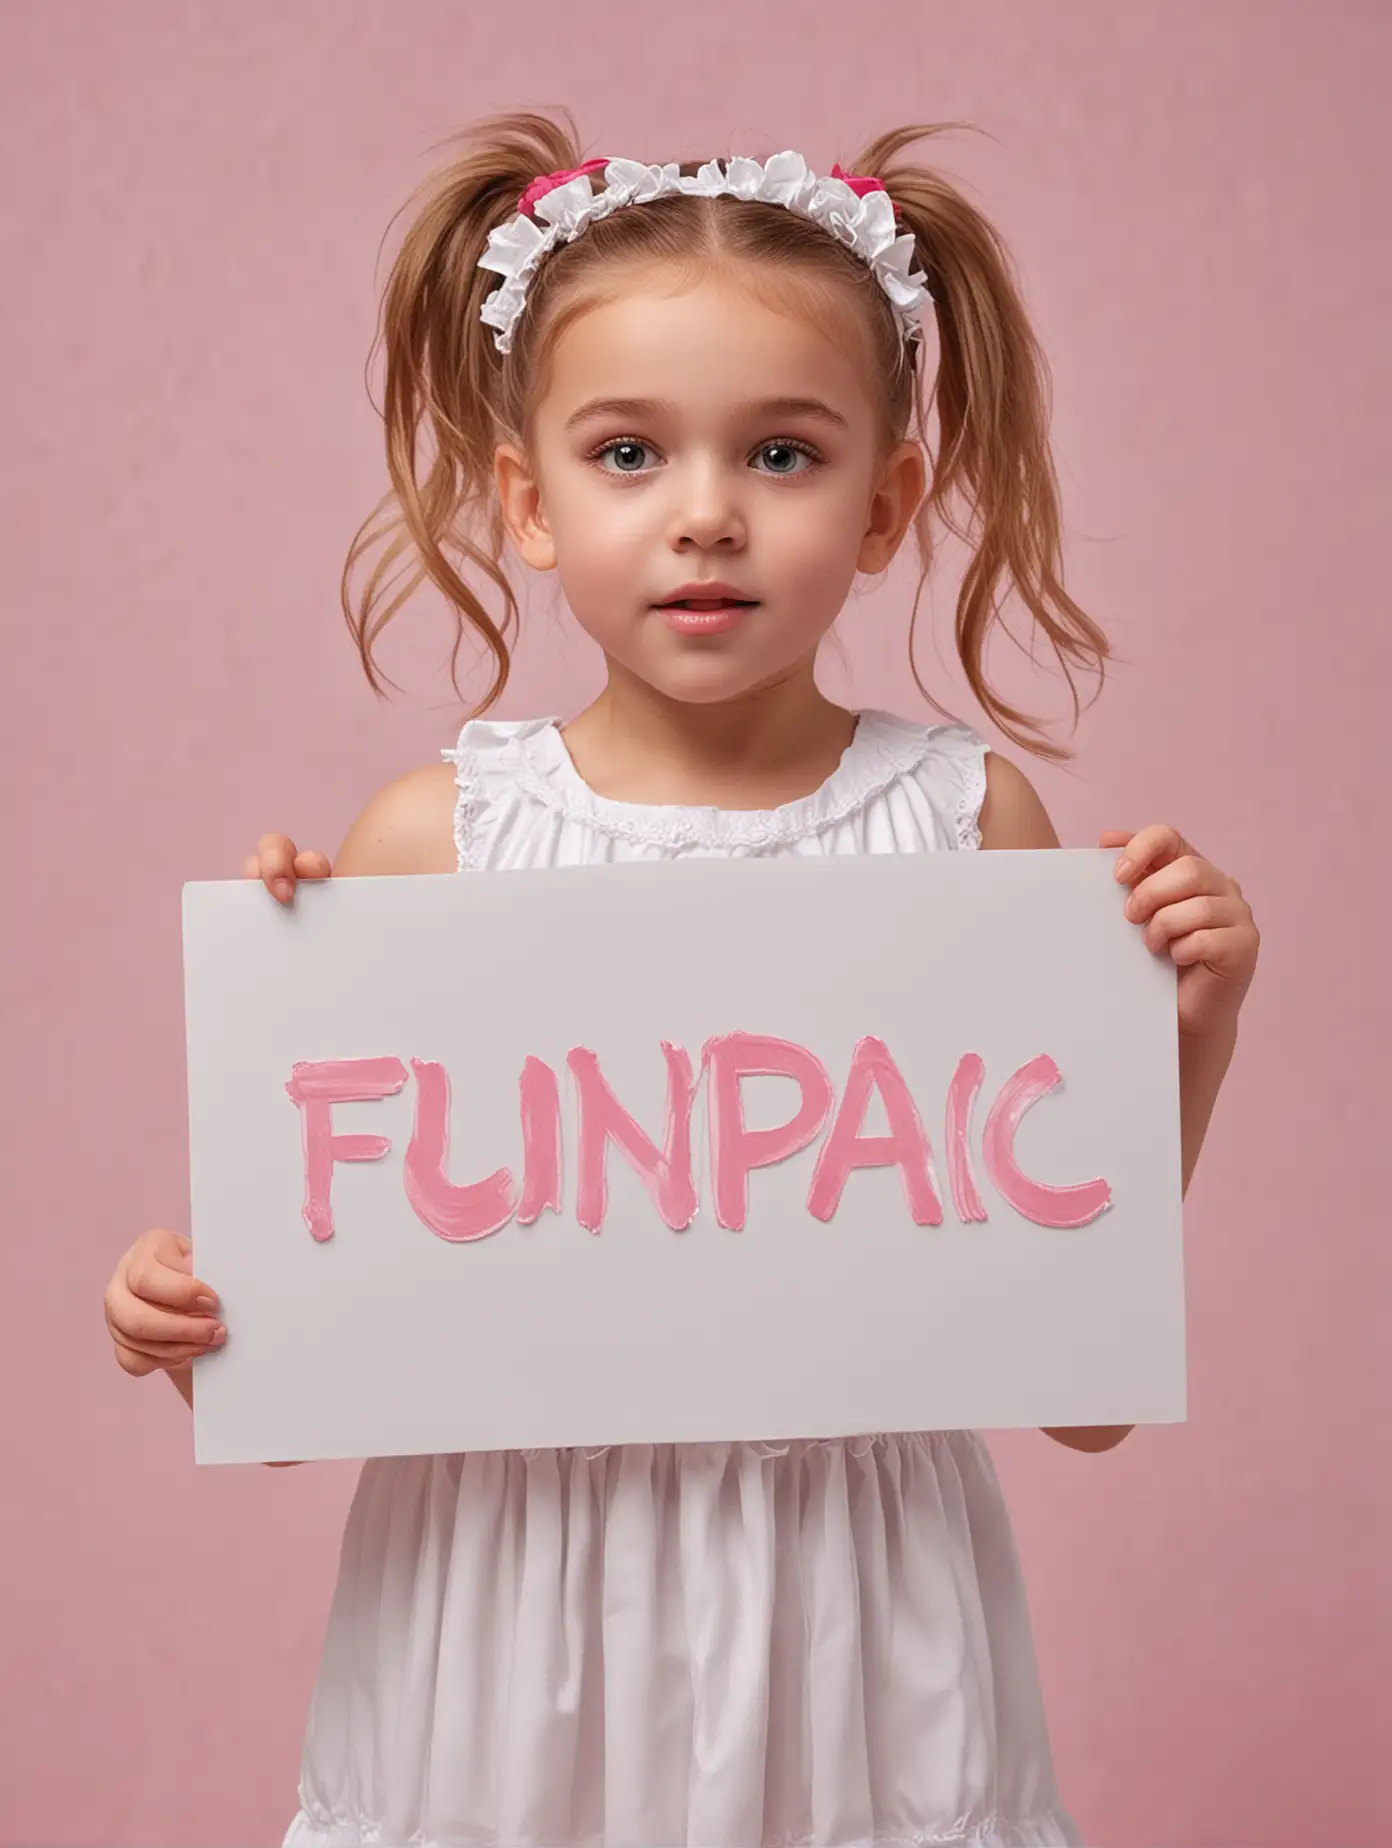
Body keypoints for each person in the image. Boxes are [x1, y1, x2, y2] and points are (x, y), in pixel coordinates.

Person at [103, 109, 1261, 1848]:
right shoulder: (436, 840)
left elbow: (1081, 1396)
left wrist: (1189, 1030)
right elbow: (314, 1370)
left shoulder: (966, 827)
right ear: (531, 503)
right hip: (509, 1615)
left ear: (889, 501)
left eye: (782, 457)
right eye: (629, 454)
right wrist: (194, 1321)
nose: (706, 516)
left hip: (858, 1614)